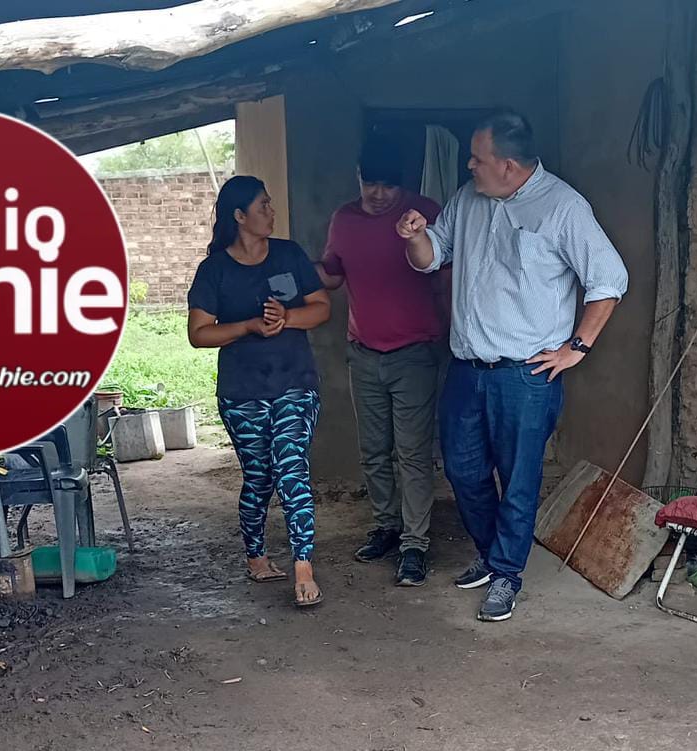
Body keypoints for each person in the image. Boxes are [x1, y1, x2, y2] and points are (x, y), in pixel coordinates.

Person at [396, 110, 628, 622]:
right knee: (462, 469)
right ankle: (491, 551)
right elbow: (431, 256)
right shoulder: (468, 198)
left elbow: (609, 280)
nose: (469, 165)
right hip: (466, 367)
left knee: (518, 477)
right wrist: (415, 236)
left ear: (507, 164)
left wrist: (577, 348)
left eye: (477, 159)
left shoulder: (563, 207)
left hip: (527, 375)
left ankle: (506, 574)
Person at [187, 175, 331, 607]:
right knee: (260, 477)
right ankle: (256, 553)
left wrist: (286, 318)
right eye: (263, 206)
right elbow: (198, 334)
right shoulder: (214, 270)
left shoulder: (289, 254)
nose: (271, 212)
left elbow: (322, 307)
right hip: (242, 390)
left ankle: (303, 566)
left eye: (270, 204)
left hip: (294, 382)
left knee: (291, 466)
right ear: (239, 216)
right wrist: (249, 326)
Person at [315, 137, 444, 586]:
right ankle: (386, 526)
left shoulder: (423, 213)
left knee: (412, 453)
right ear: (358, 178)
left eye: (389, 185)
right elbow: (332, 275)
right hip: (363, 352)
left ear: (403, 185)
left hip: (415, 352)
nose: (379, 194)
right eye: (371, 183)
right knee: (373, 451)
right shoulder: (344, 220)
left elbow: (447, 273)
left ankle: (415, 544)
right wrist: (290, 266)